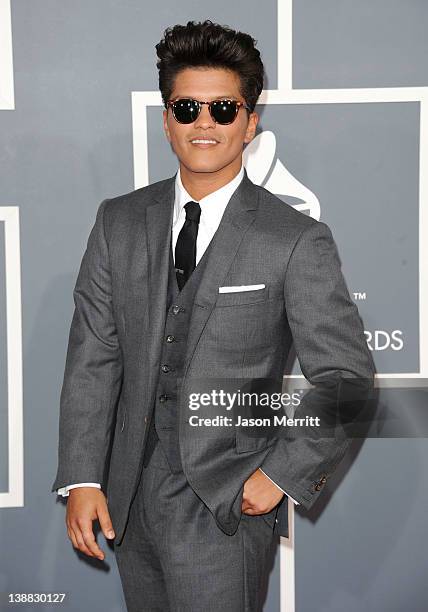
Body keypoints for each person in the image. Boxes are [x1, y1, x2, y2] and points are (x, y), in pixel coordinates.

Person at [52, 20, 375, 611]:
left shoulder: (295, 238)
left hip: (226, 505)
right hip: (128, 500)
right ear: (166, 118)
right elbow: (94, 355)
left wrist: (278, 477)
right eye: (187, 107)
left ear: (251, 122)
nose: (205, 122)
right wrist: (83, 477)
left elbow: (347, 380)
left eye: (224, 108)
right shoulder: (118, 222)